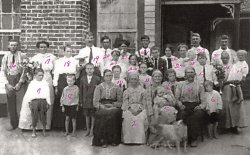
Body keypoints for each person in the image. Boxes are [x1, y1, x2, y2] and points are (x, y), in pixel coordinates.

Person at [175, 67, 206, 147]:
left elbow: (203, 100)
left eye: (192, 72)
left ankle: (193, 139)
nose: (190, 74)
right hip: (184, 105)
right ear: (185, 75)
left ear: (195, 74)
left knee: (196, 116)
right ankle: (182, 138)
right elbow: (176, 98)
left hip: (196, 105)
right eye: (188, 72)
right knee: (182, 115)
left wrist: (200, 106)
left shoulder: (200, 86)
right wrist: (180, 105)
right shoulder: (180, 84)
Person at [29, 41, 56, 130]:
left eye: (45, 47)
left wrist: (54, 83)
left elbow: (55, 71)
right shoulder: (34, 58)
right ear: (38, 48)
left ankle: (47, 125)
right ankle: (36, 125)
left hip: (47, 77)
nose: (43, 49)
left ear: (47, 47)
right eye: (41, 47)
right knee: (37, 100)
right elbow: (31, 71)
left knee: (48, 99)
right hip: (37, 79)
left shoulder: (52, 57)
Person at [92, 69, 123, 147]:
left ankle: (113, 140)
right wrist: (101, 106)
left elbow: (121, 102)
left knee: (113, 114)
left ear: (112, 76)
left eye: (110, 75)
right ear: (104, 77)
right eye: (107, 76)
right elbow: (95, 101)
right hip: (102, 105)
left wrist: (113, 105)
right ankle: (103, 140)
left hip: (113, 106)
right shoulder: (99, 87)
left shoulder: (117, 87)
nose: (108, 77)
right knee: (102, 115)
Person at [222, 50, 248, 134]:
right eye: (223, 58)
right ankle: (225, 125)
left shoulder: (234, 65)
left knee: (235, 103)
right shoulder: (218, 66)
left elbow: (240, 75)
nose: (225, 59)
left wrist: (240, 79)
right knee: (225, 103)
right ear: (221, 58)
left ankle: (236, 125)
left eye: (227, 57)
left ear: (229, 58)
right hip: (223, 86)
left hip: (233, 85)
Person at [52, 46, 78, 129]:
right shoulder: (59, 61)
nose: (69, 53)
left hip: (72, 80)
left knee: (72, 101)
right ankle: (61, 125)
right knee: (62, 100)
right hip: (62, 81)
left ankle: (72, 126)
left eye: (70, 51)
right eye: (67, 51)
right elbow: (56, 74)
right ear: (63, 52)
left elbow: (77, 72)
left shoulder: (75, 60)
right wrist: (56, 86)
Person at [122, 72, 151, 144]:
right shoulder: (126, 91)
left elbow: (144, 102)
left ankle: (139, 140)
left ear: (138, 80)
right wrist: (130, 110)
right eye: (132, 79)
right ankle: (128, 140)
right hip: (129, 108)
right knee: (128, 117)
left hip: (140, 108)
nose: (134, 81)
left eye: (135, 79)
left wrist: (139, 110)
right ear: (129, 80)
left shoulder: (143, 91)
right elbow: (125, 102)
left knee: (140, 118)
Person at [1, 39, 24, 130]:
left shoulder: (22, 56)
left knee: (20, 103)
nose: (13, 47)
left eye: (15, 45)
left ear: (18, 46)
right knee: (11, 103)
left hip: (19, 79)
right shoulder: (5, 57)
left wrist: (20, 82)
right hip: (10, 78)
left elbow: (25, 70)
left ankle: (21, 124)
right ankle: (13, 124)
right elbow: (3, 71)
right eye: (12, 45)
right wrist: (7, 84)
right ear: (8, 46)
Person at [23, 68, 51, 137]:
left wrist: (48, 102)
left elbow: (47, 93)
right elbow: (29, 93)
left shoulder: (45, 83)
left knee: (43, 116)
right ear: (35, 75)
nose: (41, 77)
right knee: (34, 116)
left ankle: (44, 131)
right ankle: (34, 131)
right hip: (34, 101)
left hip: (43, 101)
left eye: (42, 75)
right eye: (39, 75)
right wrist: (29, 102)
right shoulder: (32, 83)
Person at [79, 63, 101, 137]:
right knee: (86, 116)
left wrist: (98, 101)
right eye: (88, 69)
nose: (89, 70)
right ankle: (88, 129)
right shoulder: (82, 79)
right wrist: (81, 101)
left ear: (93, 69)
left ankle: (92, 130)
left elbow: (99, 91)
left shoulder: (97, 79)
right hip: (85, 101)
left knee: (93, 116)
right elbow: (81, 91)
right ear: (85, 70)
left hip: (93, 100)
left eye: (91, 69)